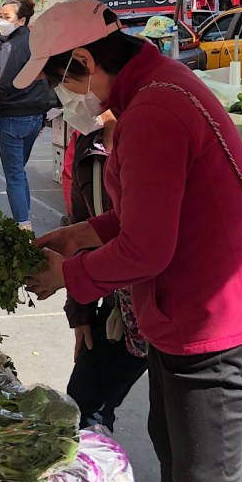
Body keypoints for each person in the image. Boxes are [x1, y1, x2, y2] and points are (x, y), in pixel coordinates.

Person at [17, 0, 242, 482]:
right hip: (183, 317)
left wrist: (67, 276)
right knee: (177, 462)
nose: (62, 99)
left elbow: (148, 249)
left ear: (83, 60)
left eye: (59, 82)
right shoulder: (156, 88)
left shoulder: (154, 110)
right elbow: (148, 213)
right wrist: (82, 234)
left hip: (210, 322)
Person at [63, 113, 148, 431]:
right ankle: (97, 460)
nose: (65, 95)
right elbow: (83, 230)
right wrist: (81, 311)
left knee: (173, 429)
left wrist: (67, 274)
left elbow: (144, 244)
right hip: (119, 311)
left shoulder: (154, 140)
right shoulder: (87, 146)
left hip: (172, 313)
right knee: (85, 404)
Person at [0, 0, 48, 230]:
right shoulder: (37, 42)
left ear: (22, 20)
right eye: (0, 16)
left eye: (6, 17)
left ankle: (22, 226)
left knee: (14, 174)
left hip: (13, 117)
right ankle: (24, 219)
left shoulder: (11, 48)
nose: (1, 21)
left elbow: (0, 86)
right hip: (35, 116)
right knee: (19, 172)